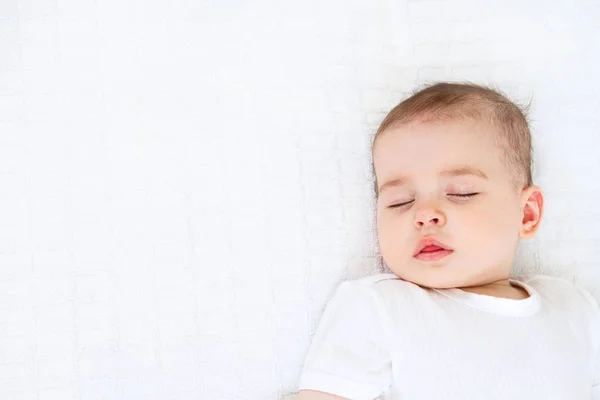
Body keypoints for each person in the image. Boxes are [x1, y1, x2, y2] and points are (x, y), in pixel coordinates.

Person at [296, 82, 600, 399]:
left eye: (461, 193)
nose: (425, 214)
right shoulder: (381, 308)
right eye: (400, 201)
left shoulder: (573, 307)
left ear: (526, 214)